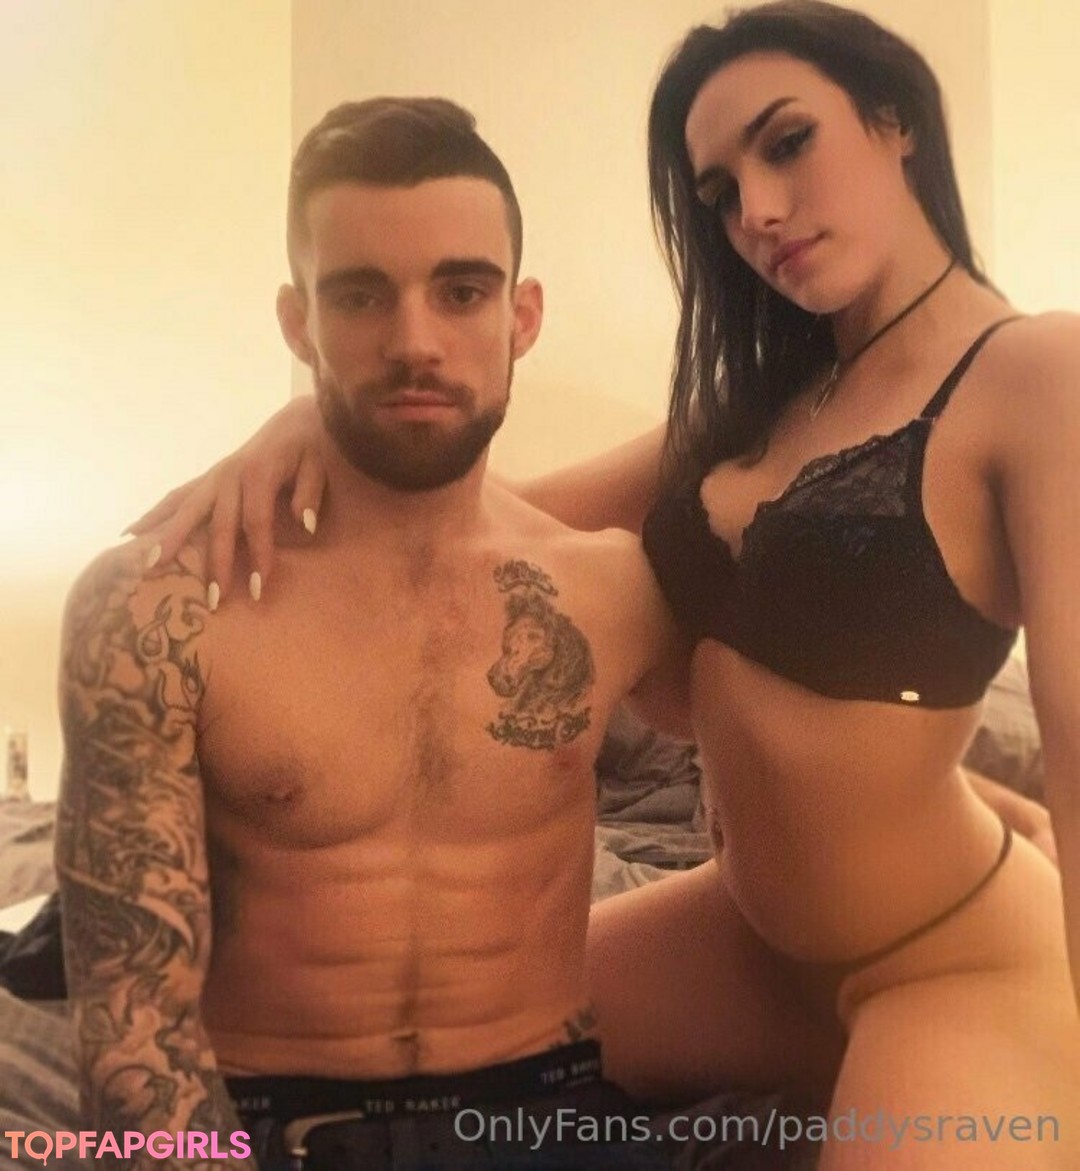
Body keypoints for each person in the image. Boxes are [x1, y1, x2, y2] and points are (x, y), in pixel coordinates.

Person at [132, 2, 1080, 1166]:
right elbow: (494, 528)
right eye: (719, 192)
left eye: (787, 143)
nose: (756, 210)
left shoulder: (1038, 372)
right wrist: (322, 424)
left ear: (896, 121)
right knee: (392, 1058)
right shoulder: (756, 405)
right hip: (739, 938)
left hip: (939, 960)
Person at [55, 96, 694, 1171]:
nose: (414, 343)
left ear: (523, 316)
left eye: (462, 291)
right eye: (359, 295)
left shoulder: (616, 588)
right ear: (297, 322)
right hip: (273, 1121)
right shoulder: (160, 610)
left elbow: (826, 776)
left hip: (546, 1113)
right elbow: (132, 1037)